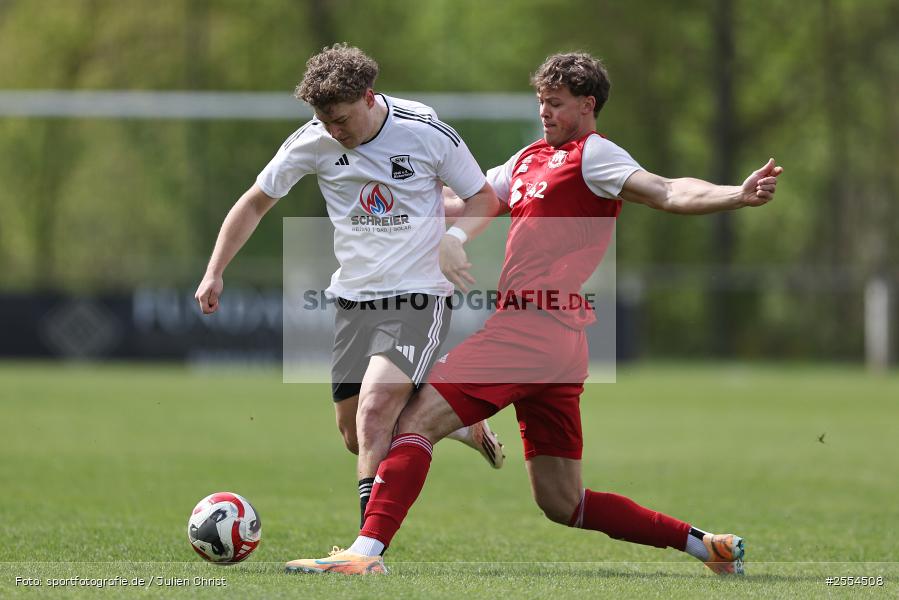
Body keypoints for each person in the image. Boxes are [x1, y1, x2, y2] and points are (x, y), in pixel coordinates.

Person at [285, 51, 783, 575]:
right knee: (564, 503)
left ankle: (365, 554)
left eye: (556, 103)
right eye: (540, 102)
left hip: (531, 328)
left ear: (588, 105)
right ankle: (707, 546)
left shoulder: (595, 155)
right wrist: (391, 193)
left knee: (413, 422)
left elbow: (666, 190)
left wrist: (736, 194)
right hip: (558, 344)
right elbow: (465, 200)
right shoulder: (527, 160)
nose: (544, 112)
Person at [194, 44, 506, 530]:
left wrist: (454, 237)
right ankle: (456, 422)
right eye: (324, 120)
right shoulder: (312, 140)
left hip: (420, 293)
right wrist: (215, 270)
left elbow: (483, 198)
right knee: (356, 436)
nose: (333, 131)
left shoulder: (423, 130)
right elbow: (255, 202)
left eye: (340, 119)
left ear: (369, 96)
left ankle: (367, 548)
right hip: (353, 299)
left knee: (376, 407)